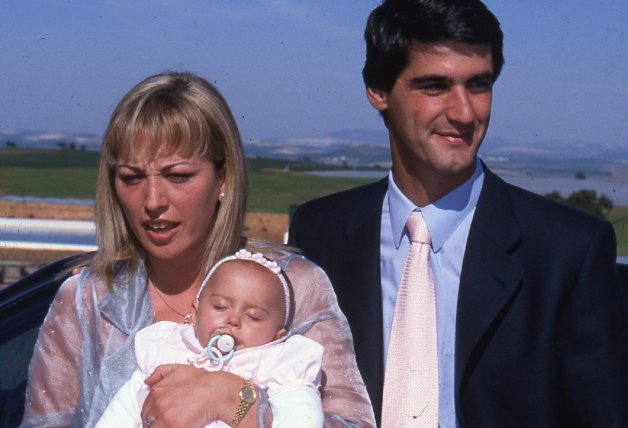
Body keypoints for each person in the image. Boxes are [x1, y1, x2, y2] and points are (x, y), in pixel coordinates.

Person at [289, 0, 628, 426]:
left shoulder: (567, 251)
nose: (464, 113)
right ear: (378, 91)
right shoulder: (320, 230)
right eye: (434, 86)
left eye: (479, 85)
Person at [22, 71, 375, 428]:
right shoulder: (88, 299)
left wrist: (232, 402)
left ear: (223, 179)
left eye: (178, 176)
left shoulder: (295, 286)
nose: (153, 201)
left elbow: (352, 423)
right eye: (131, 177)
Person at [96, 249, 325, 428]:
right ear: (195, 313)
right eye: (220, 306)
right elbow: (124, 408)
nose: (233, 320)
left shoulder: (278, 364)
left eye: (254, 317)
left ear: (277, 336)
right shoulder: (167, 349)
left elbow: (301, 415)